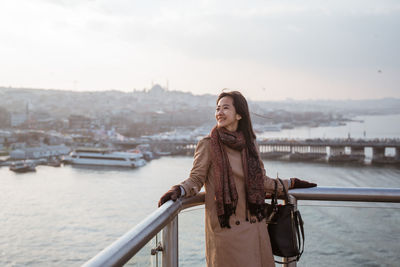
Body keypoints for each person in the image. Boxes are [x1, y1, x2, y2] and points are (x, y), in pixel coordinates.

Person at [158, 91, 317, 267]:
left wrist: (291, 183)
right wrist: (178, 190)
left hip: (256, 226)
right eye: (217, 108)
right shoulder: (208, 144)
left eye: (225, 108)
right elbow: (196, 179)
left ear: (239, 114)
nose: (219, 112)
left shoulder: (250, 145)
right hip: (227, 230)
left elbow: (262, 182)